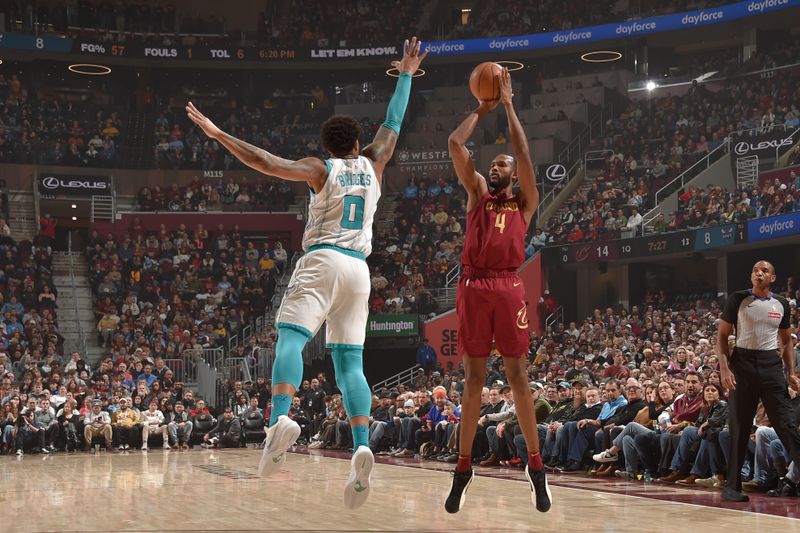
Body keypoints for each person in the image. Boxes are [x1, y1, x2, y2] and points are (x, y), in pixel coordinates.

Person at [186, 37, 426, 510]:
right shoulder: (376, 162)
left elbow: (266, 163)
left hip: (323, 260)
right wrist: (404, 75)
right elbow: (394, 121)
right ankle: (362, 445)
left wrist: (218, 135)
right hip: (360, 271)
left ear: (327, 147)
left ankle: (279, 420)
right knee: (350, 365)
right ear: (358, 142)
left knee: (290, 340)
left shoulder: (322, 169)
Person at [445, 67, 550, 514]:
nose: (497, 164)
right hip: (472, 285)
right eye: (494, 162)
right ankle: (463, 467)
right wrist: (481, 108)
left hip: (508, 285)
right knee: (472, 380)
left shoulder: (526, 200)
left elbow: (524, 153)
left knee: (518, 377)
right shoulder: (478, 195)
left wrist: (507, 105)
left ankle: (536, 465)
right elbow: (454, 144)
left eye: (502, 162)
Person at [718, 260, 800, 502]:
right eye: (755, 270)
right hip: (742, 361)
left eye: (764, 271)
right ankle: (732, 487)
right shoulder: (737, 298)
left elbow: (786, 341)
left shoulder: (781, 303)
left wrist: (791, 373)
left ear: (772, 278)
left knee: (786, 423)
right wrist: (724, 368)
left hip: (770, 364)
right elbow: (722, 336)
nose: (759, 273)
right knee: (740, 426)